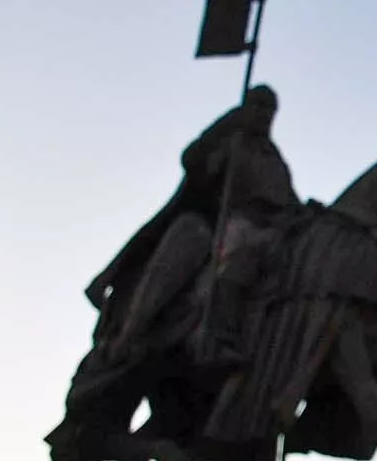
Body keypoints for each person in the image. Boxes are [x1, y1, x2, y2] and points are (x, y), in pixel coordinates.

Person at [86, 84, 299, 365]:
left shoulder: (274, 158)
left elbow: (288, 199)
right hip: (235, 222)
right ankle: (160, 332)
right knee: (225, 249)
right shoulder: (230, 142)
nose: (264, 115)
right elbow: (194, 161)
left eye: (270, 110)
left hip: (274, 229)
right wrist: (225, 126)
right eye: (258, 106)